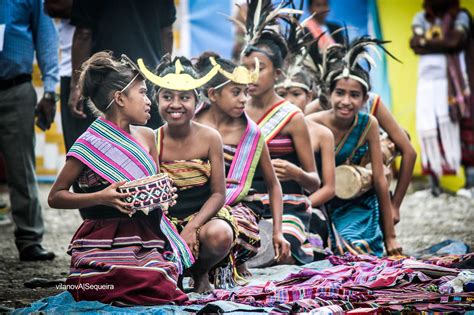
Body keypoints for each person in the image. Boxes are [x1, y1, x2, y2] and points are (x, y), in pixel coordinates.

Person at [48, 52, 192, 305]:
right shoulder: (89, 143)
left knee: (156, 280)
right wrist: (101, 197)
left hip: (146, 234)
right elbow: (55, 197)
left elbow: (155, 183)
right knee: (109, 284)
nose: (150, 101)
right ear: (120, 98)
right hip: (101, 238)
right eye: (143, 93)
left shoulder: (148, 136)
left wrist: (165, 196)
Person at [138, 55, 238, 293]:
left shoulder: (211, 137)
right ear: (156, 99)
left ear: (197, 101)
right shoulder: (153, 139)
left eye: (184, 97)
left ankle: (200, 270)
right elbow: (152, 194)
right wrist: (173, 230)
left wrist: (193, 227)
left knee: (220, 235)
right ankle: (177, 270)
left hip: (204, 215)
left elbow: (218, 194)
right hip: (165, 218)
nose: (175, 104)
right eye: (167, 97)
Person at [236, 1, 321, 265]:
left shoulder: (293, 118)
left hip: (289, 204)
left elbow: (314, 182)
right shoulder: (236, 111)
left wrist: (295, 173)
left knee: (274, 252)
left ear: (278, 74)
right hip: (246, 203)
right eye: (245, 67)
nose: (251, 75)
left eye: (259, 67)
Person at [194, 53, 291, 280]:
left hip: (239, 202)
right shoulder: (193, 124)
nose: (244, 99)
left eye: (246, 92)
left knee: (234, 225)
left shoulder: (253, 134)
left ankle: (221, 266)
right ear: (213, 94)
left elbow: (273, 186)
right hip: (197, 198)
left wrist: (278, 231)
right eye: (236, 92)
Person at [307, 38, 402, 257]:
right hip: (319, 200)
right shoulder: (311, 120)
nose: (346, 101)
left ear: (365, 99)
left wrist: (391, 236)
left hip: (355, 202)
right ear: (330, 94)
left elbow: (379, 178)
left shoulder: (369, 124)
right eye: (340, 93)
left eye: (355, 95)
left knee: (353, 249)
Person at [66, 0, 177, 146]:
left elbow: (83, 34)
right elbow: (167, 32)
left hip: (102, 82)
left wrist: (77, 85)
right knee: (149, 148)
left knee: (94, 151)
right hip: (150, 78)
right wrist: (163, 76)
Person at [0, 0, 58, 261]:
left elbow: (46, 40)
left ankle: (29, 239)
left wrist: (49, 90)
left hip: (15, 89)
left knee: (21, 167)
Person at [410, 0, 471, 195]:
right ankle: (434, 184)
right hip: (427, 84)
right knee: (429, 129)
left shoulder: (461, 16)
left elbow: (457, 41)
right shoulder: (421, 18)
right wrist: (445, 43)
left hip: (454, 86)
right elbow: (414, 43)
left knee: (462, 128)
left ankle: (470, 182)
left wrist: (426, 42)